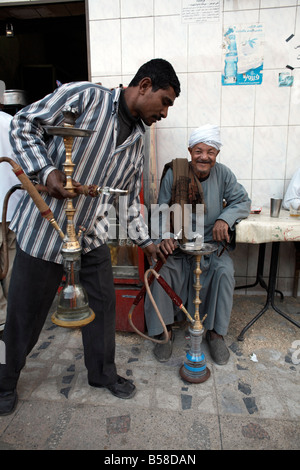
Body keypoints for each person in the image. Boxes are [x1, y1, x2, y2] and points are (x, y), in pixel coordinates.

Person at [0, 59, 181, 415]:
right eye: (165, 101)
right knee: (24, 314)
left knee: (102, 305)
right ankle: (3, 381)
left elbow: (127, 197)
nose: (164, 112)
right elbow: (23, 124)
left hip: (90, 234)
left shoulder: (138, 142)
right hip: (45, 229)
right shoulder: (84, 96)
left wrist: (145, 240)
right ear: (144, 85)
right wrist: (47, 170)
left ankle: (102, 373)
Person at [144, 124, 251, 365]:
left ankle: (216, 334)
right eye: (199, 151)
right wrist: (164, 236)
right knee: (160, 269)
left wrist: (225, 217)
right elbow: (161, 209)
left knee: (224, 272)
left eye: (210, 152)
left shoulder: (224, 174)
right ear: (190, 151)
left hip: (210, 247)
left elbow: (242, 201)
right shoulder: (176, 172)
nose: (204, 157)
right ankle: (165, 331)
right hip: (179, 247)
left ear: (216, 155)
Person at [0, 82, 23, 335]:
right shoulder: (12, 123)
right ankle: (15, 314)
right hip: (14, 204)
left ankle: (2, 316)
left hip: (6, 203)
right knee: (13, 258)